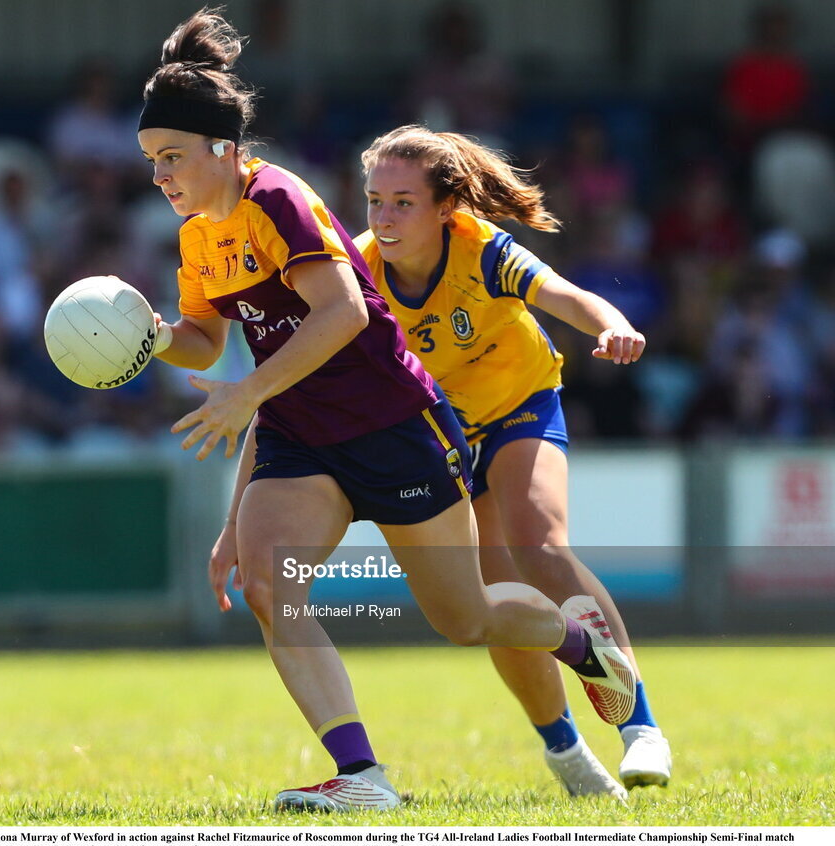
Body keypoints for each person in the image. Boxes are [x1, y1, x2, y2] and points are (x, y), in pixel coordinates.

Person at [138, 9, 637, 812]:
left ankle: (584, 646)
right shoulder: (199, 234)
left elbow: (346, 316)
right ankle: (363, 776)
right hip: (304, 437)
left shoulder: (277, 200)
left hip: (395, 425)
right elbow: (203, 342)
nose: (159, 175)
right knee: (271, 585)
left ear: (224, 149)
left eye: (171, 158)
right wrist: (154, 336)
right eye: (150, 161)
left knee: (465, 617)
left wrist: (248, 393)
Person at [352, 125, 672, 794]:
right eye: (374, 200)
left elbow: (562, 295)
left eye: (403, 202)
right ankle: (564, 752)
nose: (383, 218)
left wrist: (609, 324)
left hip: (520, 403)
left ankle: (640, 727)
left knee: (539, 542)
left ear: (446, 209)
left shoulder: (483, 250)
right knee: (495, 597)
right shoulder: (357, 275)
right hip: (442, 440)